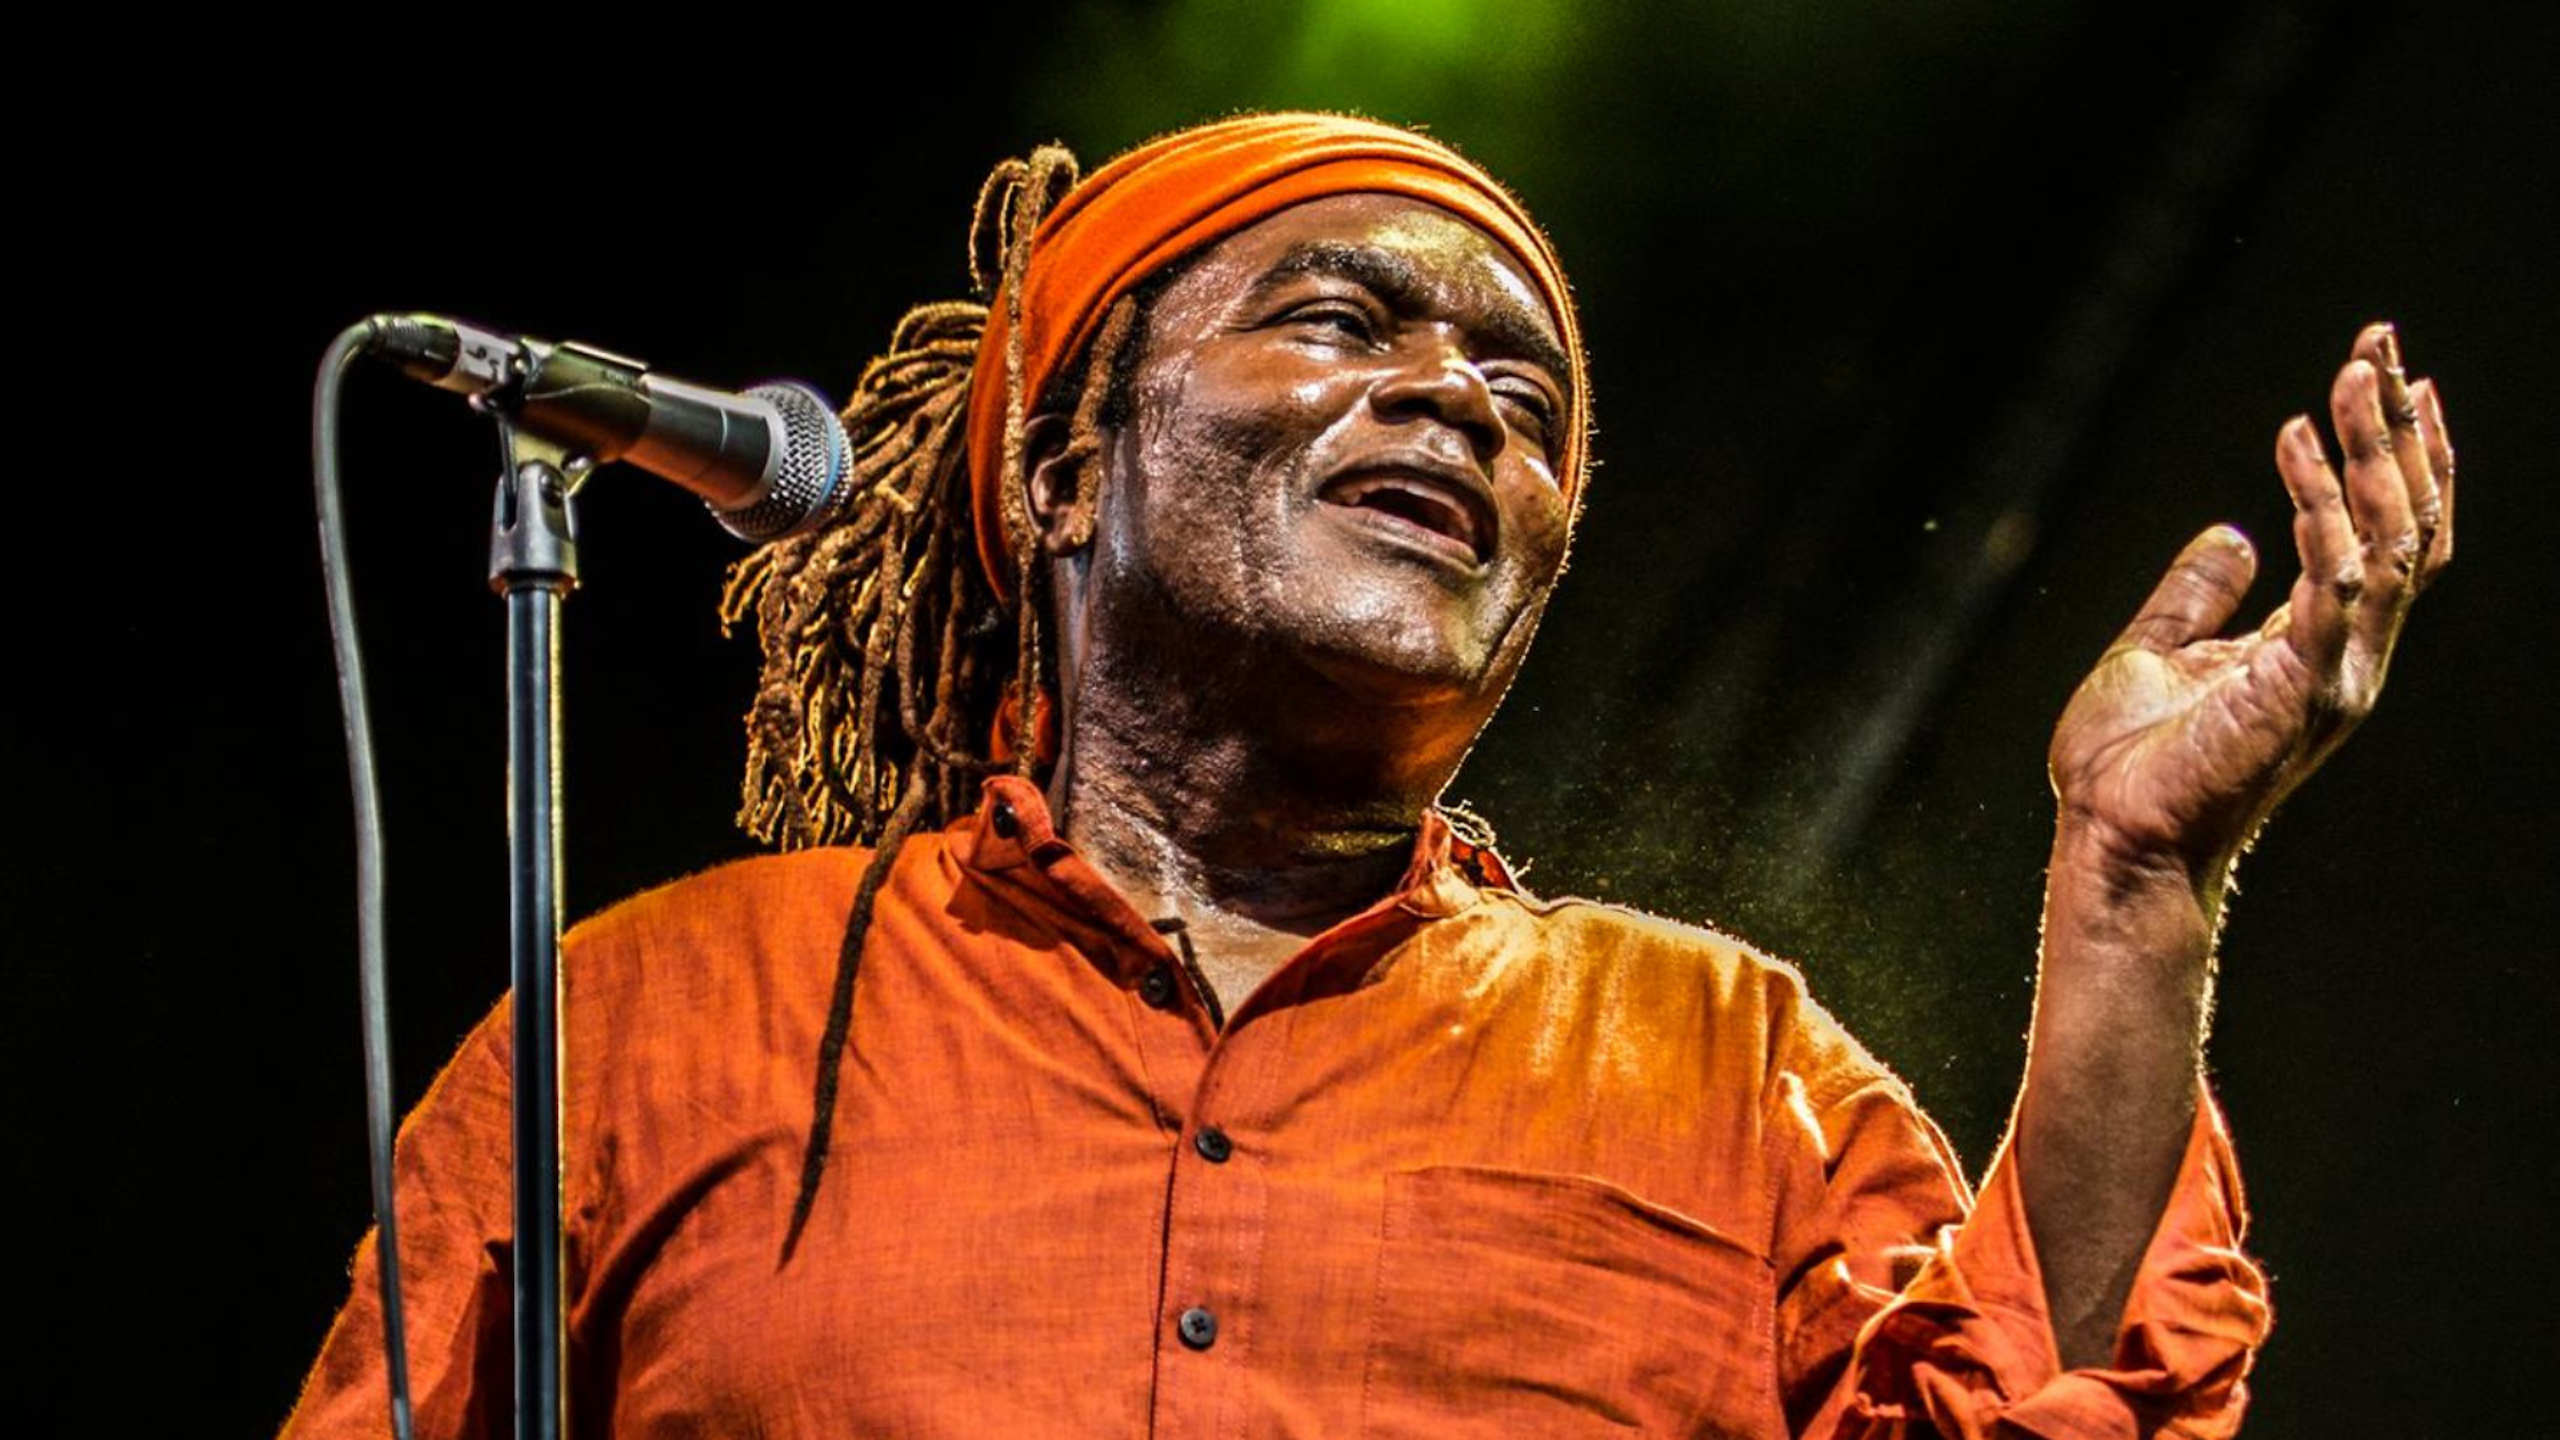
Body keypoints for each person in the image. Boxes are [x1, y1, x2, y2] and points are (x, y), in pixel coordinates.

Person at [281, 112, 2454, 1438]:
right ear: (1055, 469)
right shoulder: (658, 1023)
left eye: (1522, 392)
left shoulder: (1719, 1063)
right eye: (1336, 322)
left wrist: (2132, 887)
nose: (1456, 403)